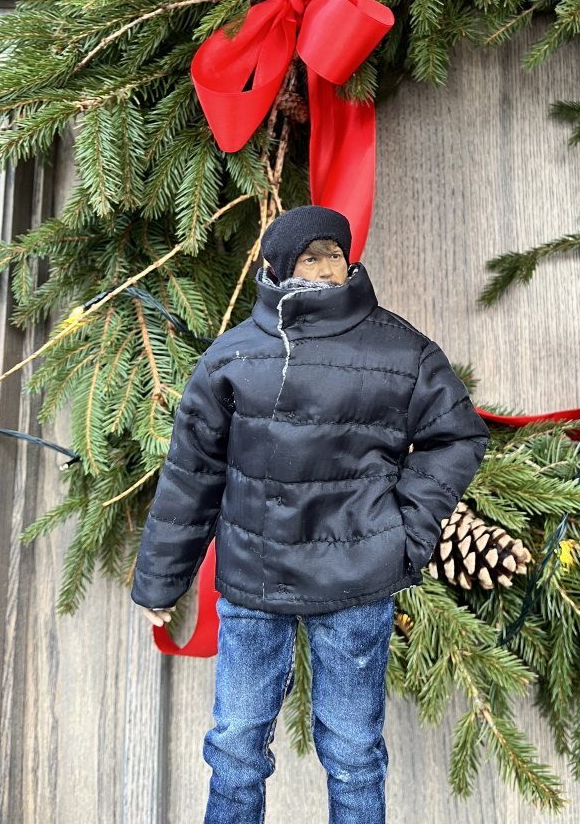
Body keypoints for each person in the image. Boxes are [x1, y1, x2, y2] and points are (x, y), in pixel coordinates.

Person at [130, 204, 491, 824]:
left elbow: (456, 435)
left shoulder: (400, 349)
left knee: (353, 751)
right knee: (235, 747)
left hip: (356, 584)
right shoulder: (233, 358)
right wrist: (161, 580)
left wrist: (404, 531)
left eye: (335, 255)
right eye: (309, 257)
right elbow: (191, 475)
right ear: (277, 266)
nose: (326, 268)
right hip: (252, 584)